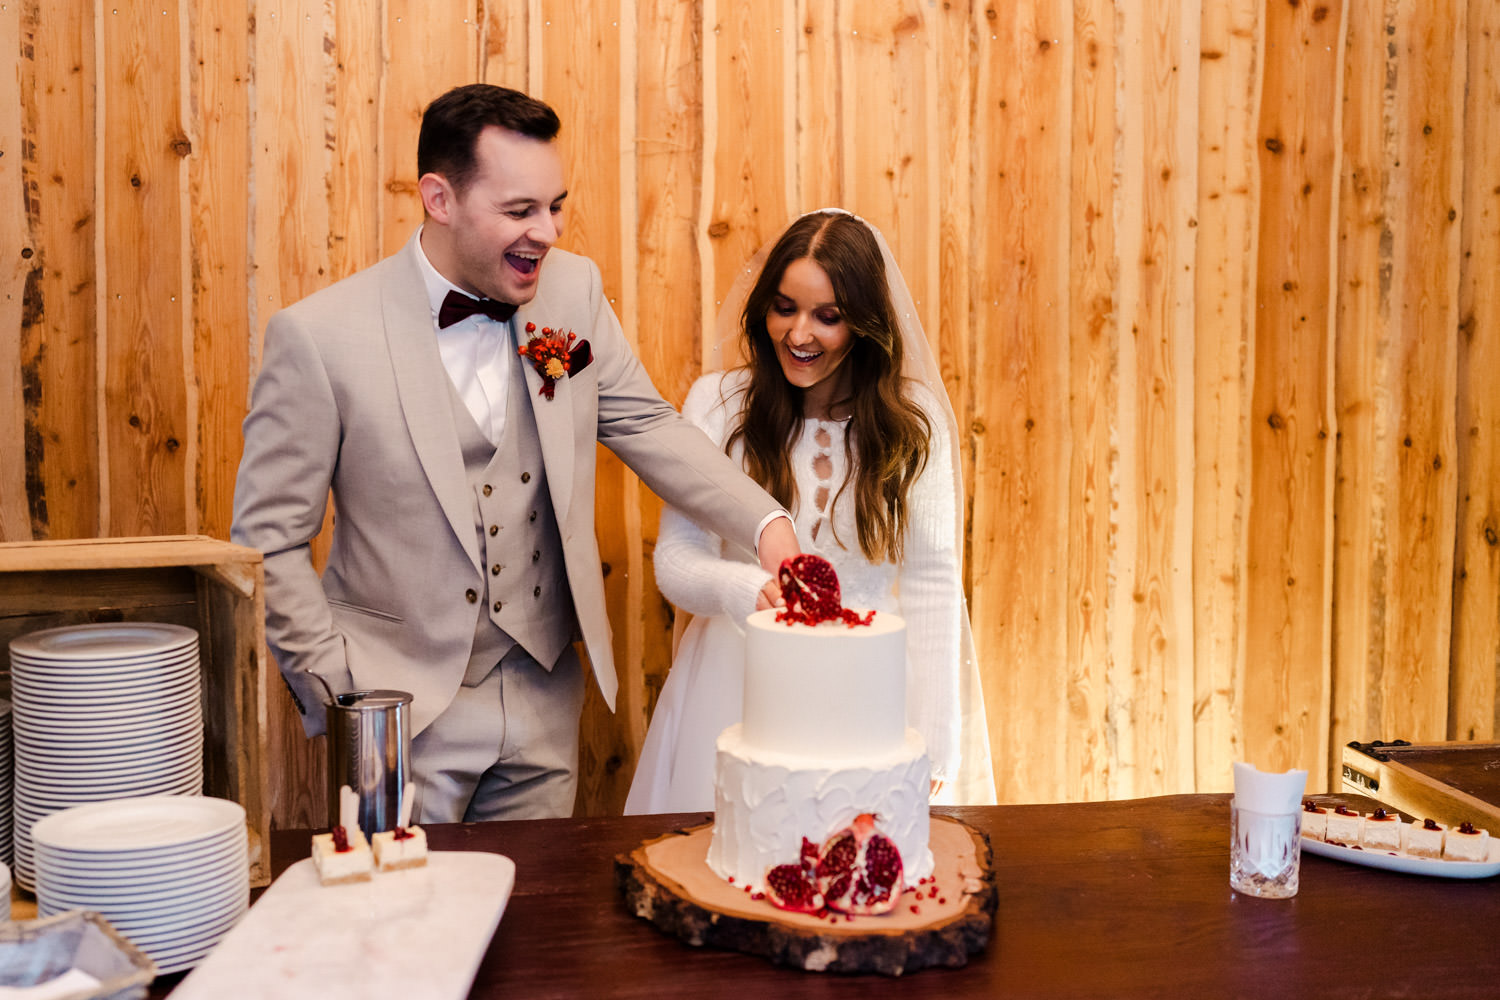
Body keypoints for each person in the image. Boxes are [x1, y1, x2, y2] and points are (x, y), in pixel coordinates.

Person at [231, 84, 798, 824]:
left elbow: (647, 425)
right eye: (520, 210)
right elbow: (268, 539)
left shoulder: (573, 293)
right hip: (400, 715)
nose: (549, 231)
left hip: (543, 696)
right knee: (407, 927)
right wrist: (342, 690)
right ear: (439, 198)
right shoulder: (320, 337)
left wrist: (766, 525)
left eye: (556, 205)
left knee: (536, 924)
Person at [624, 209, 997, 813]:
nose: (799, 334)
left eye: (828, 317)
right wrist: (751, 589)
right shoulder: (717, 405)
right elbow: (676, 562)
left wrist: (936, 735)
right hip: (735, 684)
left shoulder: (915, 421)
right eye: (784, 308)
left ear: (866, 325)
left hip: (869, 688)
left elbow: (932, 580)